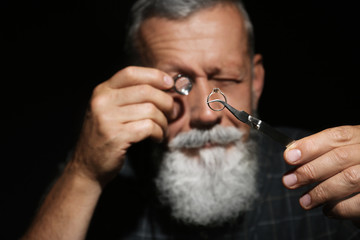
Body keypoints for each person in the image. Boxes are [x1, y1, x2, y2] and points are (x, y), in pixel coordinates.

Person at [21, 0, 360, 239]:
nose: (206, 113)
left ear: (255, 82)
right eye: (178, 83)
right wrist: (83, 174)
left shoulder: (330, 174)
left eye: (226, 78)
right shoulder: (102, 176)